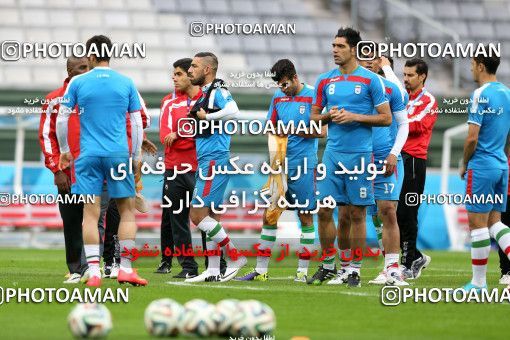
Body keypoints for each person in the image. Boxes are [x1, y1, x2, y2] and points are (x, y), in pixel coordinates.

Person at [56, 35, 148, 287]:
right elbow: (137, 121)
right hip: (118, 155)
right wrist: (136, 155)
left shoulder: (77, 82)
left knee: (90, 213)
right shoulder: (126, 82)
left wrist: (65, 149)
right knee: (127, 211)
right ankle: (125, 269)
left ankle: (94, 272)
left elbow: (62, 118)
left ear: (90, 55)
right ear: (110, 53)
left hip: (88, 156)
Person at [309, 27, 392, 287]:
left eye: (340, 46)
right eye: (333, 46)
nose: (334, 50)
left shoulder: (371, 80)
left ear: (354, 49)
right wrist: (328, 116)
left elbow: (386, 118)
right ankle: (330, 265)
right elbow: (313, 117)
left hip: (359, 155)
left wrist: (354, 116)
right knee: (323, 211)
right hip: (332, 154)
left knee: (356, 214)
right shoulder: (325, 80)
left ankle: (354, 269)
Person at [236, 59, 324, 283]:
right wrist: (275, 129)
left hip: (304, 163)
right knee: (270, 215)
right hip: (280, 165)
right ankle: (261, 270)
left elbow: (322, 131)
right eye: (279, 85)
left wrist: (293, 129)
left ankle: (302, 273)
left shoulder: (314, 95)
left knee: (305, 216)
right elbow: (270, 125)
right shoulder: (278, 97)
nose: (281, 88)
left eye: (284, 84)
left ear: (295, 77)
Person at [327, 48, 409, 286]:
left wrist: (394, 153)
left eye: (374, 57)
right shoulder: (343, 87)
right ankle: (346, 270)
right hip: (354, 159)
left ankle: (392, 269)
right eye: (364, 57)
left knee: (388, 212)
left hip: (384, 158)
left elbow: (403, 124)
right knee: (345, 215)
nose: (370, 62)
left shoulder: (391, 89)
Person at [157, 57, 225, 277]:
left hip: (201, 167)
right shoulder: (169, 102)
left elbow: (208, 133)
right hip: (175, 168)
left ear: (190, 76)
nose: (174, 78)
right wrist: (190, 132)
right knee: (178, 220)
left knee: (207, 216)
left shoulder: (208, 101)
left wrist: (180, 133)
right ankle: (188, 267)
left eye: (179, 74)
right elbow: (164, 136)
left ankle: (216, 265)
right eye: (173, 74)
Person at [184, 52, 247, 283]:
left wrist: (208, 118)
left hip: (214, 160)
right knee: (211, 216)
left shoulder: (218, 90)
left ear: (207, 70)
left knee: (197, 214)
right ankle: (212, 270)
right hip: (209, 159)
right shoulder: (205, 94)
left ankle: (235, 256)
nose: (190, 70)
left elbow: (234, 110)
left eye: (194, 66)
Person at [459, 48, 510, 292]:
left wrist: (464, 162)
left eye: (472, 63)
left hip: (482, 165)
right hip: (501, 164)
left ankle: (478, 283)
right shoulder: (507, 93)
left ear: (480, 65)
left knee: (477, 224)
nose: (470, 68)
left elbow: (471, 139)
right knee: (495, 223)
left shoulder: (480, 94)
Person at [39, 56, 89, 284]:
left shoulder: (94, 95)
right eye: (82, 68)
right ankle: (76, 268)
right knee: (71, 221)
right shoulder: (54, 99)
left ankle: (96, 266)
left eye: (89, 67)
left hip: (93, 170)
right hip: (67, 173)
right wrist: (56, 169)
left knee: (96, 219)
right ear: (70, 70)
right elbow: (47, 136)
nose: (87, 71)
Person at [397, 58, 437, 279]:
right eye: (404, 75)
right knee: (393, 212)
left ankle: (406, 263)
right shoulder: (402, 98)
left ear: (422, 76)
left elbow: (417, 125)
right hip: (397, 157)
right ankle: (415, 257)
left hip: (414, 160)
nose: (405, 79)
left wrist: (396, 121)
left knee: (407, 212)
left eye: (410, 75)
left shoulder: (429, 100)